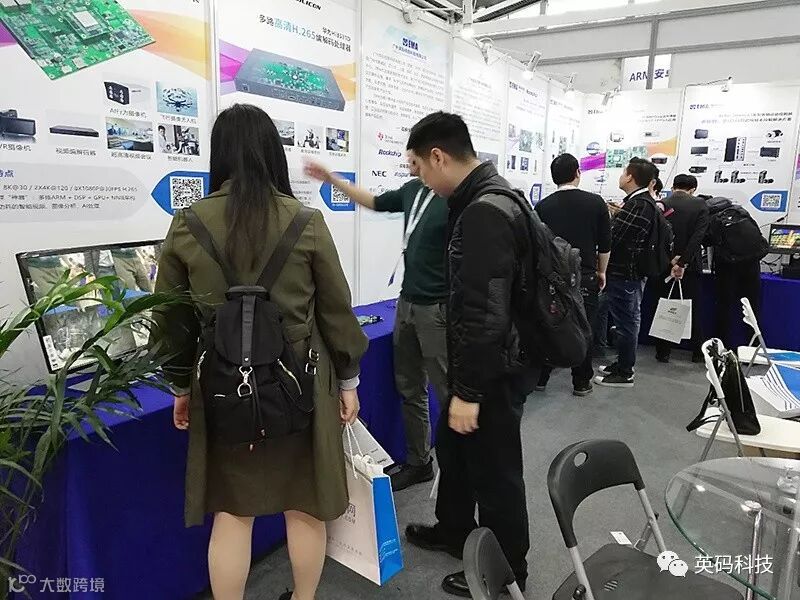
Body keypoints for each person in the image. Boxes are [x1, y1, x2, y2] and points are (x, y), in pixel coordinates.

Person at [153, 104, 368, 600]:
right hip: (303, 386)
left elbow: (170, 321)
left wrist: (180, 385)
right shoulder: (306, 221)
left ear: (219, 154)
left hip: (223, 387)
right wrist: (349, 380)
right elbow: (337, 312)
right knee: (305, 506)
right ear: (273, 153)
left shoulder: (188, 223)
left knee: (232, 513)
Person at [403, 111, 531, 597]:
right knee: (454, 451)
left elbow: (485, 313)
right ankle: (454, 529)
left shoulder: (484, 212)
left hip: (492, 369)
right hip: (480, 362)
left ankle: (508, 571)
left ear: (438, 157)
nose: (420, 179)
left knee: (496, 472)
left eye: (419, 167)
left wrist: (470, 392)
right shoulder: (484, 197)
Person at [303, 159, 447, 492]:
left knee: (447, 390)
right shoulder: (412, 190)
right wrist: (333, 180)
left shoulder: (452, 196)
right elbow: (374, 201)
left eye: (412, 155)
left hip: (438, 308)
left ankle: (458, 466)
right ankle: (419, 462)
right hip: (407, 303)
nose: (407, 161)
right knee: (410, 387)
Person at [534, 153, 611, 396]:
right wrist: (601, 271)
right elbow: (605, 244)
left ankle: (540, 377)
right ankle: (581, 381)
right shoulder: (596, 203)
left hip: (550, 278)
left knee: (548, 324)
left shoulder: (542, 206)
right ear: (577, 172)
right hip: (584, 275)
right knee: (583, 327)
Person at [596, 157, 659, 388]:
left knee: (627, 323)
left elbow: (616, 237)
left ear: (631, 177)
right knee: (626, 321)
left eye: (624, 172)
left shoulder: (640, 205)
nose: (621, 176)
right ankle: (622, 363)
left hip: (626, 274)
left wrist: (607, 222)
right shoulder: (639, 203)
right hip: (626, 274)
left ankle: (625, 372)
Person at [654, 174, 709, 363]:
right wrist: (683, 262)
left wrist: (671, 261)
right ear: (692, 189)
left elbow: (657, 237)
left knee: (664, 307)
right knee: (693, 308)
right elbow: (697, 237)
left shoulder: (662, 204)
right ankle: (698, 352)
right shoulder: (700, 205)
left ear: (674, 186)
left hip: (665, 265)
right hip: (690, 266)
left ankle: (663, 352)